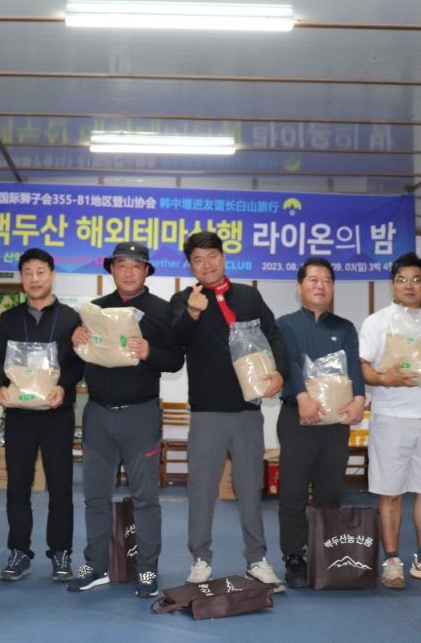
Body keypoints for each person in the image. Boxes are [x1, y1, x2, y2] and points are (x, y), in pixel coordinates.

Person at [170, 231, 288, 591]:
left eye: (212, 256)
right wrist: (192, 313)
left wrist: (280, 372)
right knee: (201, 488)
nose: (206, 265)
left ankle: (257, 559)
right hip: (206, 411)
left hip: (247, 409)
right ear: (191, 266)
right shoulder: (183, 299)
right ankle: (200, 560)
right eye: (198, 260)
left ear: (223, 257)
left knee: (250, 488)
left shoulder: (249, 296)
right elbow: (176, 341)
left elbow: (274, 335)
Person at [68, 242, 185, 598]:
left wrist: (150, 352)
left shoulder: (161, 310)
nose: (129, 271)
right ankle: (95, 565)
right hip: (98, 413)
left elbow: (175, 360)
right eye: (122, 265)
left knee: (145, 497)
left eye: (137, 265)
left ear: (147, 270)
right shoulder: (94, 310)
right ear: (112, 269)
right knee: (95, 496)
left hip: (141, 414)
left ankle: (147, 569)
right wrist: (76, 339)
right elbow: (78, 359)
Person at [358, 252, 421, 589]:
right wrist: (385, 379)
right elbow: (362, 366)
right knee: (390, 493)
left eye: (417, 279)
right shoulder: (377, 321)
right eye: (402, 280)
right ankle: (392, 561)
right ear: (393, 284)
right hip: (390, 418)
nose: (409, 285)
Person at [0, 248, 83, 582]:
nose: (34, 279)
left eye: (40, 272)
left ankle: (61, 552)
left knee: (60, 487)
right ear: (21, 278)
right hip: (19, 415)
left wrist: (65, 386)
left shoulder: (72, 318)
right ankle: (19, 551)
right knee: (17, 486)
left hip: (57, 414)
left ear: (52, 275)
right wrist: (1, 386)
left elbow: (78, 362)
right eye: (28, 272)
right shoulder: (9, 318)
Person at [275, 257, 366, 588]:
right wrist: (302, 397)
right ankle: (294, 556)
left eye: (327, 280)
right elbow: (288, 362)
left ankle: (326, 552)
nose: (320, 286)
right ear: (299, 286)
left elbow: (354, 366)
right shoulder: (285, 324)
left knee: (330, 491)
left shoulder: (344, 327)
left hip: (335, 421)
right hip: (296, 418)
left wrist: (359, 400)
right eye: (313, 279)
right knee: (293, 492)